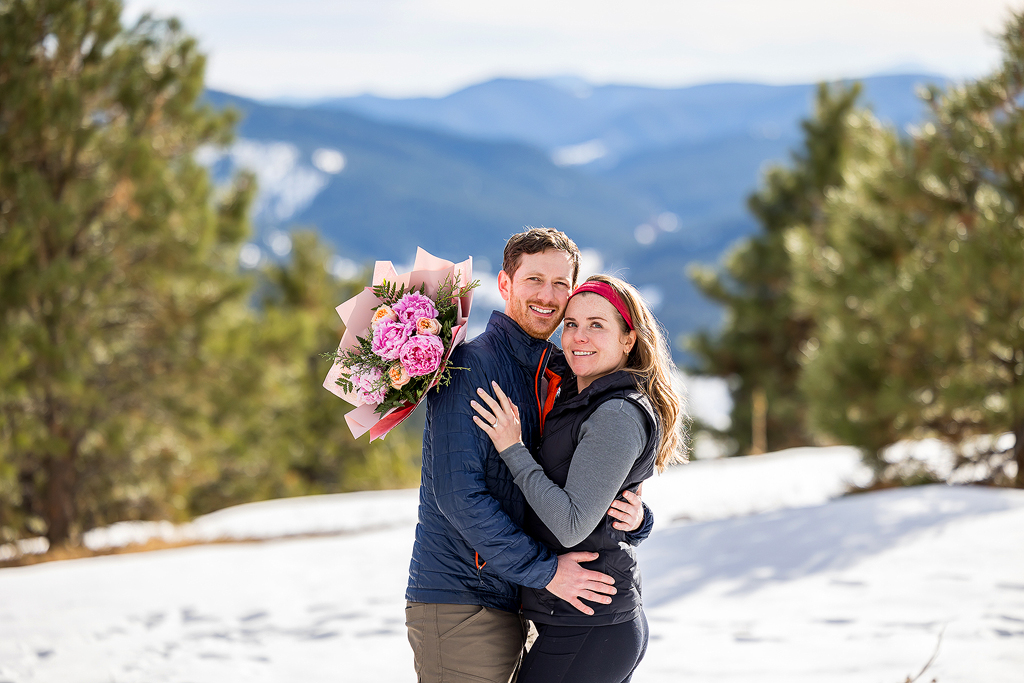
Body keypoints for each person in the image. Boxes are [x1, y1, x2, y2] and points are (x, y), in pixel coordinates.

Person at [405, 229, 655, 683]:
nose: (547, 295)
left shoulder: (558, 370)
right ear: (505, 284)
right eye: (534, 279)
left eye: (561, 284)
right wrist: (544, 572)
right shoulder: (471, 367)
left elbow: (578, 483)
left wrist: (638, 518)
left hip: (517, 596)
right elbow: (459, 496)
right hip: (464, 595)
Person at [471, 274, 687, 683]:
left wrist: (512, 449)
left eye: (597, 325)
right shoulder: (581, 394)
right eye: (571, 323)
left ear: (628, 339)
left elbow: (571, 525)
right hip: (582, 622)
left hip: (591, 626)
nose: (578, 337)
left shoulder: (616, 414)